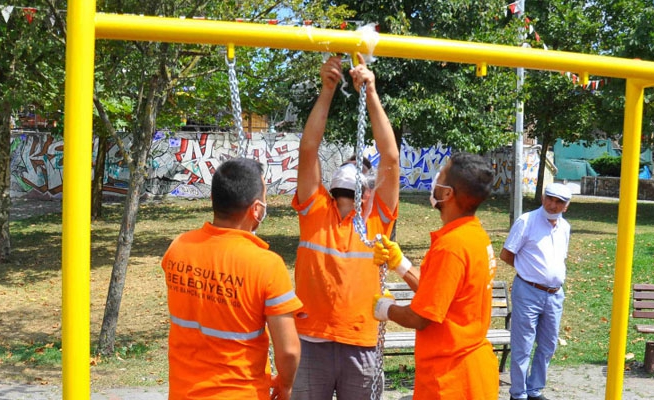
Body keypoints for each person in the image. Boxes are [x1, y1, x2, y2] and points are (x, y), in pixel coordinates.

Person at [291, 55, 402, 399]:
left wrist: (370, 93)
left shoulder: (376, 217)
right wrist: (327, 91)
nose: (354, 169)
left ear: (368, 185)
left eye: (362, 166)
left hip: (362, 343)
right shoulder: (315, 210)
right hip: (311, 340)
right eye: (350, 164)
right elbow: (308, 150)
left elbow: (391, 157)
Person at [161, 158, 302, 400]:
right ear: (256, 209)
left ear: (214, 200)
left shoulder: (178, 248)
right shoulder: (268, 266)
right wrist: (285, 385)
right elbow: (288, 350)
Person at [371, 153, 500, 400]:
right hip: (471, 371)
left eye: (440, 176)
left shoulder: (451, 247)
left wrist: (385, 308)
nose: (435, 180)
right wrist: (401, 264)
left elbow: (420, 318)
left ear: (448, 193)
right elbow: (440, 295)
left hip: (450, 378)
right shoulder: (474, 235)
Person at [500, 182, 573, 400]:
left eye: (559, 202)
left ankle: (534, 389)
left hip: (554, 294)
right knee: (523, 344)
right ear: (543, 198)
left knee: (548, 344)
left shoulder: (565, 227)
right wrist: (528, 271)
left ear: (566, 206)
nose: (552, 204)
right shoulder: (526, 221)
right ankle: (518, 393)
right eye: (549, 199)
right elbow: (506, 254)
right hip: (528, 291)